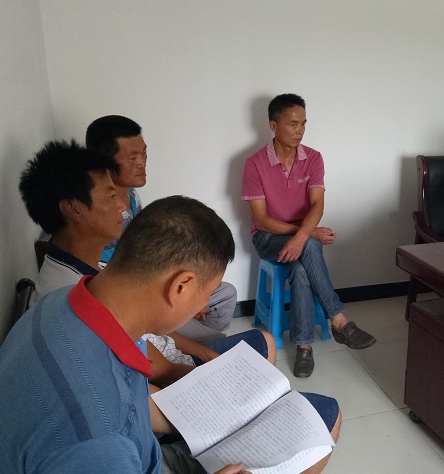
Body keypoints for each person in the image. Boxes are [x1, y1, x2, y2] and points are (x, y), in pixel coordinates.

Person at [0, 195, 341, 474]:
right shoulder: (99, 442)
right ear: (180, 286)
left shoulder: (65, 304)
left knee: (269, 460)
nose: (206, 305)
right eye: (208, 293)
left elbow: (129, 402)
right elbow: (103, 430)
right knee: (273, 469)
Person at [18, 140, 276, 382]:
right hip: (161, 373)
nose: (122, 207)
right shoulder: (72, 297)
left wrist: (203, 354)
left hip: (167, 356)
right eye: (110, 196)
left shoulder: (83, 267)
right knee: (263, 347)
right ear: (73, 208)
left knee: (261, 339)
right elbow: (143, 375)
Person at [242, 93, 376, 378]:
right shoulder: (255, 164)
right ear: (273, 125)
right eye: (293, 124)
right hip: (267, 238)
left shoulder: (313, 158)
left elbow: (317, 205)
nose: (300, 130)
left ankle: (304, 346)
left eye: (303, 123)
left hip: (302, 238)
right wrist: (307, 234)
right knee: (310, 246)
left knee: (302, 268)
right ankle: (339, 320)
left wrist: (302, 237)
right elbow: (261, 220)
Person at [85, 115, 237, 342]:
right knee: (217, 340)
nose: (142, 162)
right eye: (132, 157)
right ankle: (192, 339)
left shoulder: (132, 195)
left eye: (144, 153)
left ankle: (188, 331)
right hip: (139, 291)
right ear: (104, 161)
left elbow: (147, 249)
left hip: (155, 277)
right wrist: (182, 303)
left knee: (225, 294)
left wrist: (188, 301)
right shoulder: (96, 210)